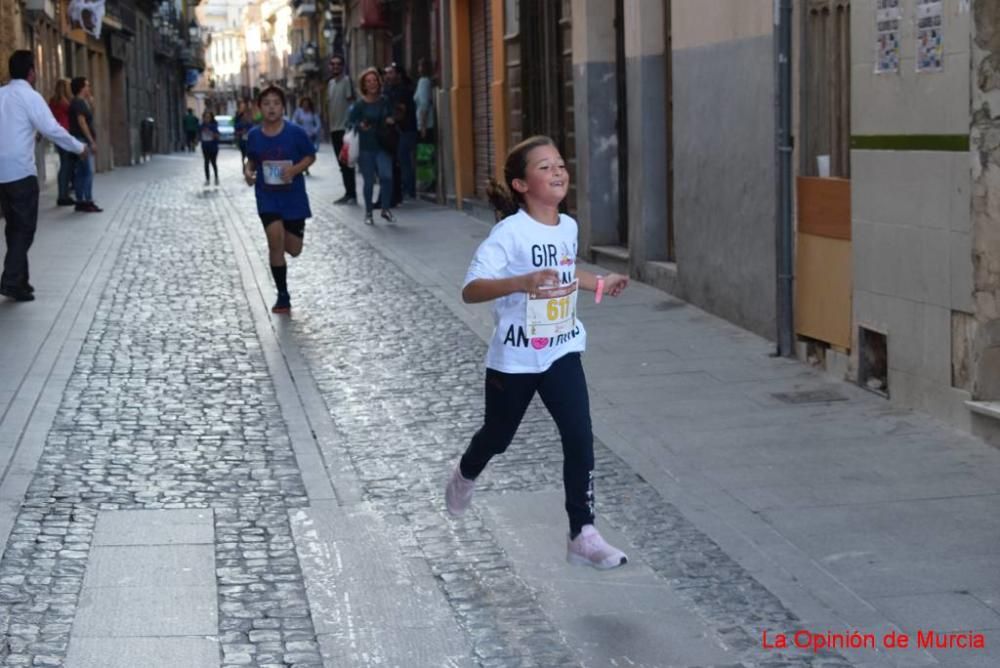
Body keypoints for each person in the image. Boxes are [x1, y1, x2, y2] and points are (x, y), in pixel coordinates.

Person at [445, 135, 631, 570]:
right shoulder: (507, 235)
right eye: (544, 167)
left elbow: (563, 271)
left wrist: (599, 283)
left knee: (580, 436)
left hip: (562, 348)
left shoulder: (568, 226)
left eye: (560, 164)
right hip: (515, 357)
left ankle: (582, 533)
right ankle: (464, 473)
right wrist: (520, 282)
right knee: (498, 436)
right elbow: (471, 290)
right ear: (521, 184)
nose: (557, 172)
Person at [0, 51, 88, 302]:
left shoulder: (1, 95)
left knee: (14, 228)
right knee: (24, 229)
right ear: (31, 72)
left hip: (1, 174)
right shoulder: (30, 96)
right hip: (20, 172)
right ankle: (10, 280)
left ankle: (21, 283)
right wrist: (78, 147)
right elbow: (51, 129)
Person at [243, 86, 316, 314]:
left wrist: (294, 170)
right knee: (275, 242)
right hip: (267, 197)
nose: (271, 107)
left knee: (293, 249)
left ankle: (287, 240)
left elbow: (310, 156)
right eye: (266, 103)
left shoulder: (295, 132)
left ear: (283, 107)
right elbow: (251, 160)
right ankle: (282, 295)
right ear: (260, 108)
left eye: (276, 103)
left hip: (293, 198)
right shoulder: (254, 135)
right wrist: (247, 172)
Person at [347, 67, 395, 225]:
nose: (372, 83)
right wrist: (360, 125)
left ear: (378, 83)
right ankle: (368, 213)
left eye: (374, 80)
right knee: (368, 182)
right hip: (366, 147)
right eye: (368, 81)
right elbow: (350, 122)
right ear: (364, 86)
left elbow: (391, 115)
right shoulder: (360, 105)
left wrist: (390, 120)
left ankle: (385, 209)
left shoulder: (384, 101)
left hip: (383, 144)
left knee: (386, 177)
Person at [384, 62, 417, 203]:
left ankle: (409, 191)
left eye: (391, 73)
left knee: (403, 160)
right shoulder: (389, 90)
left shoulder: (403, 90)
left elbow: (401, 110)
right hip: (398, 131)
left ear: (398, 75)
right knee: (400, 160)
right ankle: (403, 190)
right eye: (387, 73)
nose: (388, 75)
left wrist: (393, 119)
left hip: (406, 130)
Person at [326, 55, 357, 204]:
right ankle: (348, 192)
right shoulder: (330, 84)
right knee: (341, 163)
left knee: (347, 162)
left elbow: (352, 103)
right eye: (333, 64)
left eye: (338, 64)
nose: (335, 67)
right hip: (334, 129)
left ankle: (352, 194)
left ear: (343, 66)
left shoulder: (346, 81)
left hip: (344, 129)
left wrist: (350, 125)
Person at [68, 77, 102, 213]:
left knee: (81, 171)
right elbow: (82, 123)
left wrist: (91, 104)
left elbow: (89, 118)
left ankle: (81, 200)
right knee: (87, 171)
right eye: (87, 85)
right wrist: (91, 141)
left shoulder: (82, 102)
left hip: (80, 139)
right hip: (82, 140)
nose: (89, 88)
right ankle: (87, 200)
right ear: (81, 88)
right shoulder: (78, 103)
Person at [48, 78, 76, 206]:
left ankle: (63, 193)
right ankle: (63, 195)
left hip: (57, 135)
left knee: (64, 164)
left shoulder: (53, 101)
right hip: (66, 134)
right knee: (66, 165)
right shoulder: (66, 102)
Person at [291, 97, 321, 176]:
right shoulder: (298, 112)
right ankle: (303, 167)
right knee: (301, 152)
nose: (305, 105)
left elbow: (318, 124)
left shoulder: (313, 112)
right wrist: (297, 126)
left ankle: (306, 167)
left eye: (307, 103)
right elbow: (293, 120)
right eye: (304, 103)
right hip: (300, 134)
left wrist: (314, 131)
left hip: (310, 135)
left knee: (308, 153)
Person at [199, 110, 220, 186]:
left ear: (211, 118)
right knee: (206, 162)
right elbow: (199, 135)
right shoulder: (201, 126)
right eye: (205, 117)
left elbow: (217, 136)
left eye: (208, 117)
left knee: (213, 162)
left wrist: (212, 133)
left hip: (213, 147)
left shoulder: (214, 126)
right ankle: (207, 179)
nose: (207, 119)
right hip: (205, 147)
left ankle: (216, 177)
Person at [234, 100, 254, 167]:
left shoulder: (250, 124)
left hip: (249, 142)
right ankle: (243, 165)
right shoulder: (239, 123)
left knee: (249, 155)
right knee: (243, 155)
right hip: (242, 141)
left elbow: (253, 131)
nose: (246, 117)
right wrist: (241, 132)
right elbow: (236, 132)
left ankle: (248, 166)